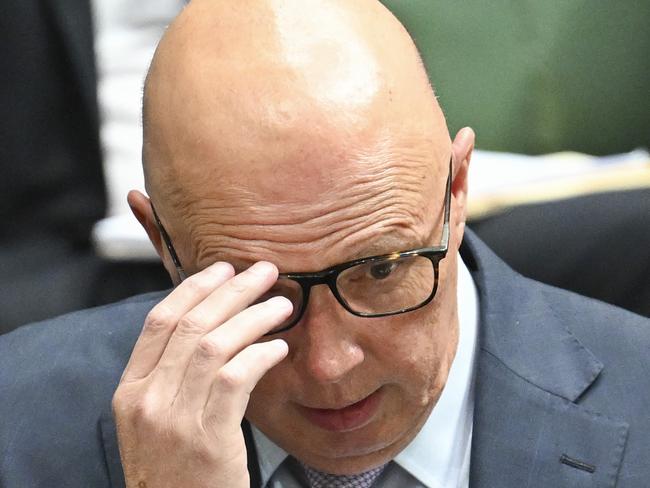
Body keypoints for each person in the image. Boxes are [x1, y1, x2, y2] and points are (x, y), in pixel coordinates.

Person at [1, 1, 648, 487]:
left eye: (382, 269)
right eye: (260, 294)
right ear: (163, 244)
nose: (328, 368)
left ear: (456, 190)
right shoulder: (17, 427)